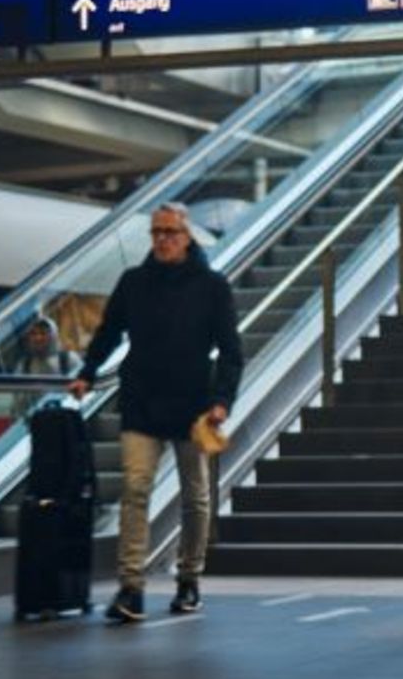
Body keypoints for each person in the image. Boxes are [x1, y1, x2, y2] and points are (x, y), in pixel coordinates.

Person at [70, 202, 243, 622]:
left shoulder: (212, 286)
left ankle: (189, 580)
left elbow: (232, 351)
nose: (163, 240)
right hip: (141, 402)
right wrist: (88, 372)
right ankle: (131, 587)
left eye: (170, 232)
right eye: (156, 233)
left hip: (193, 406)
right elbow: (109, 331)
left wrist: (222, 400)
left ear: (188, 238)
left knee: (195, 498)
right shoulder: (133, 283)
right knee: (135, 490)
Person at [14, 316, 83, 419]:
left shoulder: (69, 359)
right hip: (36, 422)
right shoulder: (24, 365)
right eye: (33, 334)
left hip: (65, 420)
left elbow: (83, 392)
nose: (38, 338)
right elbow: (18, 402)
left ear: (53, 336)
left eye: (43, 333)